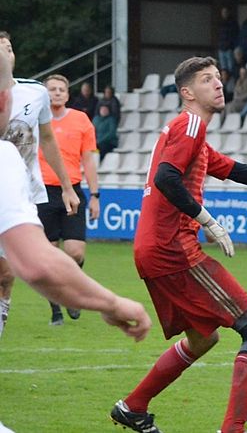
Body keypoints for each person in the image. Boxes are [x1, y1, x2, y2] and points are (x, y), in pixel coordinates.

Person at [109, 56, 247, 433]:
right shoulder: (191, 123)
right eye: (206, 79)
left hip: (153, 249)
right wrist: (208, 221)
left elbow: (241, 172)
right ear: (187, 93)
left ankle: (133, 406)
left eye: (218, 77)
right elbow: (167, 179)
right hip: (173, 249)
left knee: (202, 339)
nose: (218, 84)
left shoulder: (189, 134)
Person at [0, 38, 151, 431]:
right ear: (5, 104)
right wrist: (112, 303)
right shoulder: (4, 161)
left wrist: (73, 187)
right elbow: (39, 264)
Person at [0, 32, 81, 340]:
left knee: (7, 275)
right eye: (0, 49)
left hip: (21, 198)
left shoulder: (35, 93)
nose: (6, 52)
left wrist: (67, 186)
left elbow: (47, 139)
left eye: (9, 47)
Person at [38, 74, 101, 325]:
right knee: (49, 255)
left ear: (67, 93)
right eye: (51, 89)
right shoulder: (35, 122)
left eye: (61, 89)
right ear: (44, 94)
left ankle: (70, 296)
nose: (56, 93)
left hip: (72, 191)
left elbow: (89, 160)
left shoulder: (81, 120)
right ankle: (55, 309)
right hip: (42, 193)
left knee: (75, 251)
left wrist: (95, 195)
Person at [218, 7, 239, 73]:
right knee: (223, 68)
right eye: (223, 12)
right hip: (221, 47)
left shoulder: (233, 23)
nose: (224, 14)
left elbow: (235, 35)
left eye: (226, 12)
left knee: (231, 68)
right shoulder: (220, 23)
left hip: (229, 48)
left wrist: (232, 45)